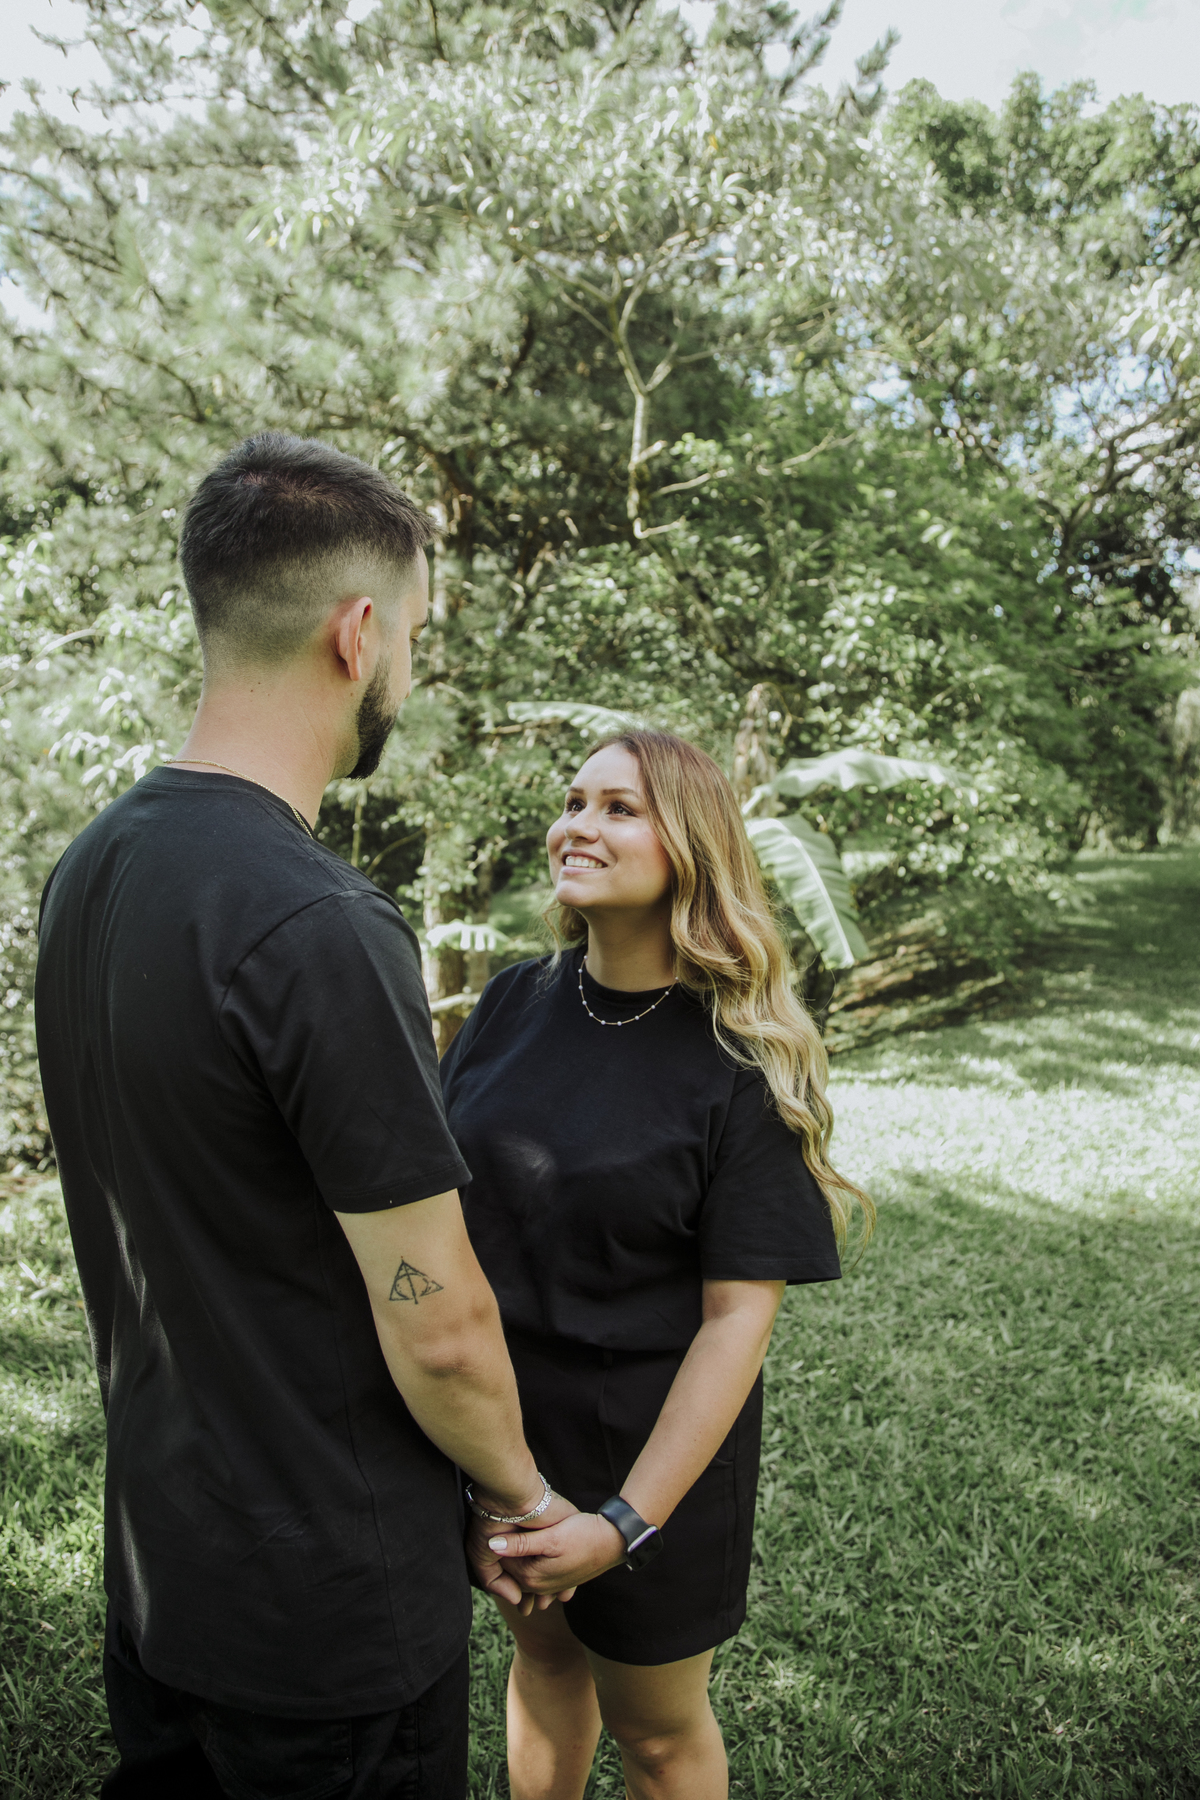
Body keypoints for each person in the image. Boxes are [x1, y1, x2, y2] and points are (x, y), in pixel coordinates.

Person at [35, 432, 571, 1800]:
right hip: (328, 1616)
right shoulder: (319, 921)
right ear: (356, 634)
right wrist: (521, 1497)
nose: (411, 675)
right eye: (416, 641)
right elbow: (437, 1319)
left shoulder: (89, 872)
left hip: (165, 1573)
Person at [440, 729, 872, 1800]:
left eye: (619, 808)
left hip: (654, 1457)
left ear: (690, 846)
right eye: (573, 801)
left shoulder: (739, 1057)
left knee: (659, 1735)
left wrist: (624, 1523)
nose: (577, 825)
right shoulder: (510, 1003)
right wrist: (495, 1472)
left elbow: (737, 1322)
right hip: (508, 1446)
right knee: (544, 1669)